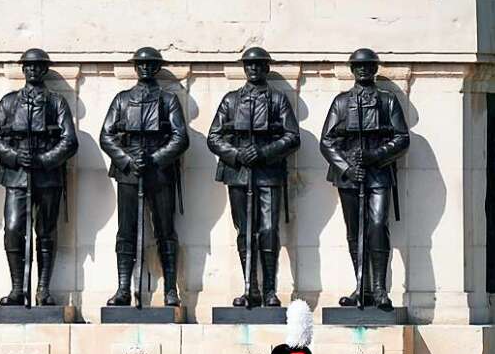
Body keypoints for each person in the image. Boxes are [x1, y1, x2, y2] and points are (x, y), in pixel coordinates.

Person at [207, 47, 300, 307]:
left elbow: (292, 136)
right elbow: (214, 137)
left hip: (268, 173)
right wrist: (237, 154)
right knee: (245, 232)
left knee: (269, 230)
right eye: (250, 65)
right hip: (238, 173)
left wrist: (264, 152)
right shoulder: (231, 100)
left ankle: (270, 289)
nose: (254, 69)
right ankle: (251, 287)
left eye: (259, 65)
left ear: (267, 68)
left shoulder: (278, 99)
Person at [0, 48, 78, 306]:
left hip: (47, 176)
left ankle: (43, 289)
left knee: (46, 231)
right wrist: (15, 156)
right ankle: (17, 288)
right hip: (16, 176)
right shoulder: (9, 101)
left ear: (45, 70)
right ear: (23, 69)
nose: (33, 70)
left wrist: (43, 160)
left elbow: (69, 141)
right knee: (13, 229)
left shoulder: (56, 102)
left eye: (38, 66)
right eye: (29, 66)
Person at [319, 48, 409, 310]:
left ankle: (380, 289)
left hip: (378, 172)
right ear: (352, 70)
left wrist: (375, 155)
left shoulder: (387, 100)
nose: (364, 70)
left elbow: (401, 138)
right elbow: (327, 141)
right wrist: (346, 168)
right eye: (359, 66)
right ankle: (362, 286)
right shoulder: (341, 102)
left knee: (378, 225)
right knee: (354, 231)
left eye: (369, 66)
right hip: (349, 176)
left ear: (375, 69)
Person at [100, 46, 189, 307]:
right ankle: (123, 288)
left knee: (165, 230)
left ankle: (171, 290)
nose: (146, 68)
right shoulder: (122, 99)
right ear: (135, 67)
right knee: (126, 232)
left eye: (151, 64)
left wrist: (154, 159)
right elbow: (107, 135)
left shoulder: (168, 100)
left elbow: (180, 137)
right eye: (141, 64)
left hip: (159, 173)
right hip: (129, 174)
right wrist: (127, 159)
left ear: (158, 67)